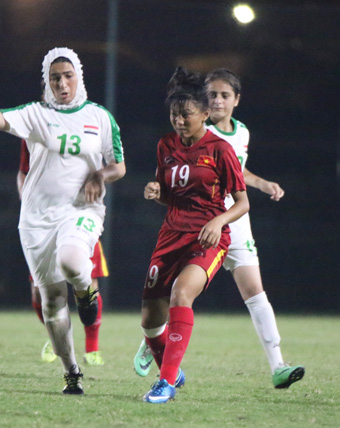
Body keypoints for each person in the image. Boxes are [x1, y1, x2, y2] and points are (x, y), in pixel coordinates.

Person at [0, 47, 126, 395]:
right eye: (55, 78)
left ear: (79, 76)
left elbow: (119, 166)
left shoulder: (100, 117)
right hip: (36, 220)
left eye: (68, 76)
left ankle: (85, 293)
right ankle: (72, 371)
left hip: (81, 210)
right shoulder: (36, 114)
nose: (62, 83)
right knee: (51, 302)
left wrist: (100, 174)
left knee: (72, 261)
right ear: (47, 82)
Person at [134, 68, 305, 390]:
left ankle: (277, 364)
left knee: (252, 292)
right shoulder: (181, 137)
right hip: (183, 226)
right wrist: (158, 192)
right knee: (160, 306)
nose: (218, 101)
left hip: (226, 221)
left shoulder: (237, 136)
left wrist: (262, 184)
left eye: (225, 95)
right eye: (213, 95)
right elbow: (175, 186)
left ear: (236, 100)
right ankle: (157, 341)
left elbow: (238, 175)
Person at [140, 67, 249, 403]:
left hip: (206, 238)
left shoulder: (219, 149)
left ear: (204, 114)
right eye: (174, 114)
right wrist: (157, 192)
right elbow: (171, 196)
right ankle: (171, 368)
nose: (178, 120)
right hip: (171, 234)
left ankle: (166, 382)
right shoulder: (166, 145)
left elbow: (243, 203)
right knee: (149, 322)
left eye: (185, 114)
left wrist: (218, 222)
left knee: (181, 293)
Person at [17, 140, 107, 366]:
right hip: (44, 222)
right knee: (40, 293)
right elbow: (23, 172)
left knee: (88, 282)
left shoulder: (88, 124)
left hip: (78, 216)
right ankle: (55, 335)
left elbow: (108, 167)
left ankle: (92, 348)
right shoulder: (33, 131)